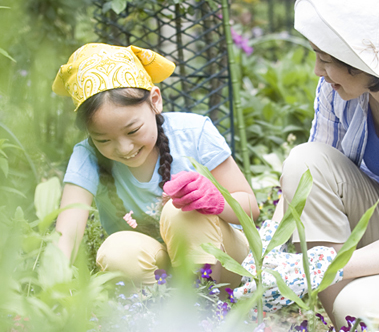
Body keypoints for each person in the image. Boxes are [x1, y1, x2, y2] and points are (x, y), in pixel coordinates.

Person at [235, 0, 379, 329]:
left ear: (360, 61)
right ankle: (339, 324)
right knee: (306, 160)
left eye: (326, 59)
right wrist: (268, 248)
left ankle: (349, 324)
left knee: (357, 306)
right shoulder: (339, 89)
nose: (317, 71)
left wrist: (321, 265)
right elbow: (308, 178)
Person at [53, 43, 258, 286]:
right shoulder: (87, 156)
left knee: (181, 211)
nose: (124, 148)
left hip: (226, 263)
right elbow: (66, 238)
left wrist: (216, 201)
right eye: (103, 140)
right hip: (161, 271)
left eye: (133, 130)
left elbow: (252, 209)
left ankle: (205, 310)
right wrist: (49, 294)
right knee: (117, 251)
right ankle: (160, 316)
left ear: (155, 101)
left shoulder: (194, 133)